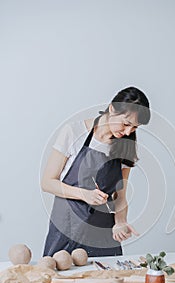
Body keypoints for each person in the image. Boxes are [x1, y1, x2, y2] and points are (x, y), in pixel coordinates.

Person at [41, 86, 151, 257]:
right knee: (60, 277)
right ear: (112, 109)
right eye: (126, 124)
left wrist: (120, 222)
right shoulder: (73, 132)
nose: (128, 132)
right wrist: (84, 194)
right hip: (67, 228)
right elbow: (47, 182)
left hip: (103, 234)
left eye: (135, 128)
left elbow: (120, 196)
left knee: (107, 281)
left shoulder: (125, 146)